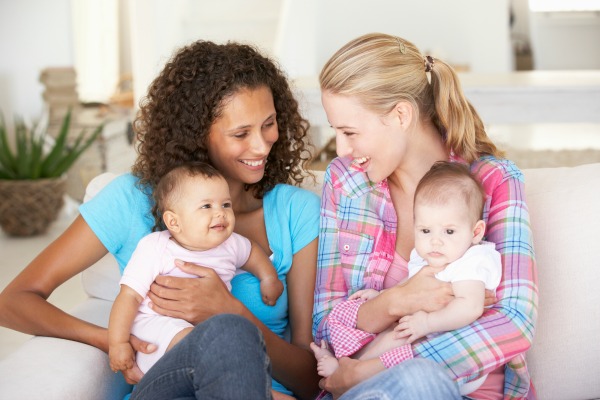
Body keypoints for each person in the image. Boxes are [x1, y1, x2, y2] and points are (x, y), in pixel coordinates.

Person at [0, 40, 321, 400]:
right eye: (241, 133)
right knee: (227, 334)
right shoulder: (131, 200)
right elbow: (13, 302)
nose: (262, 146)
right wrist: (114, 340)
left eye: (269, 124)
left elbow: (311, 380)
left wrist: (228, 309)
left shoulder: (297, 212)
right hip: (167, 386)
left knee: (231, 331)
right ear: (197, 134)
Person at [312, 33, 537, 399]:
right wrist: (397, 301)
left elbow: (515, 323)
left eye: (349, 131)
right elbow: (324, 327)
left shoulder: (493, 183)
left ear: (401, 114)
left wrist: (376, 367)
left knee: (419, 380)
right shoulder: (345, 183)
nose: (341, 149)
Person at [311, 161, 502, 396]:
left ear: (475, 232)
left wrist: (426, 324)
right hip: (417, 340)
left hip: (448, 358)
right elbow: (409, 288)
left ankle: (346, 371)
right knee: (389, 332)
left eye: (449, 231)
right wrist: (381, 296)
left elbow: (470, 307)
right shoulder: (427, 257)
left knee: (398, 337)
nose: (435, 241)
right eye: (425, 230)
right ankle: (347, 367)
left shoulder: (472, 260)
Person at [109, 162, 284, 376]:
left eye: (226, 204)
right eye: (206, 206)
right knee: (195, 341)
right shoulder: (156, 247)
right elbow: (128, 296)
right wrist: (118, 342)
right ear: (174, 222)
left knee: (234, 345)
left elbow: (252, 253)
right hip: (156, 331)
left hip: (207, 337)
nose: (220, 213)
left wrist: (268, 277)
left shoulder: (230, 244)